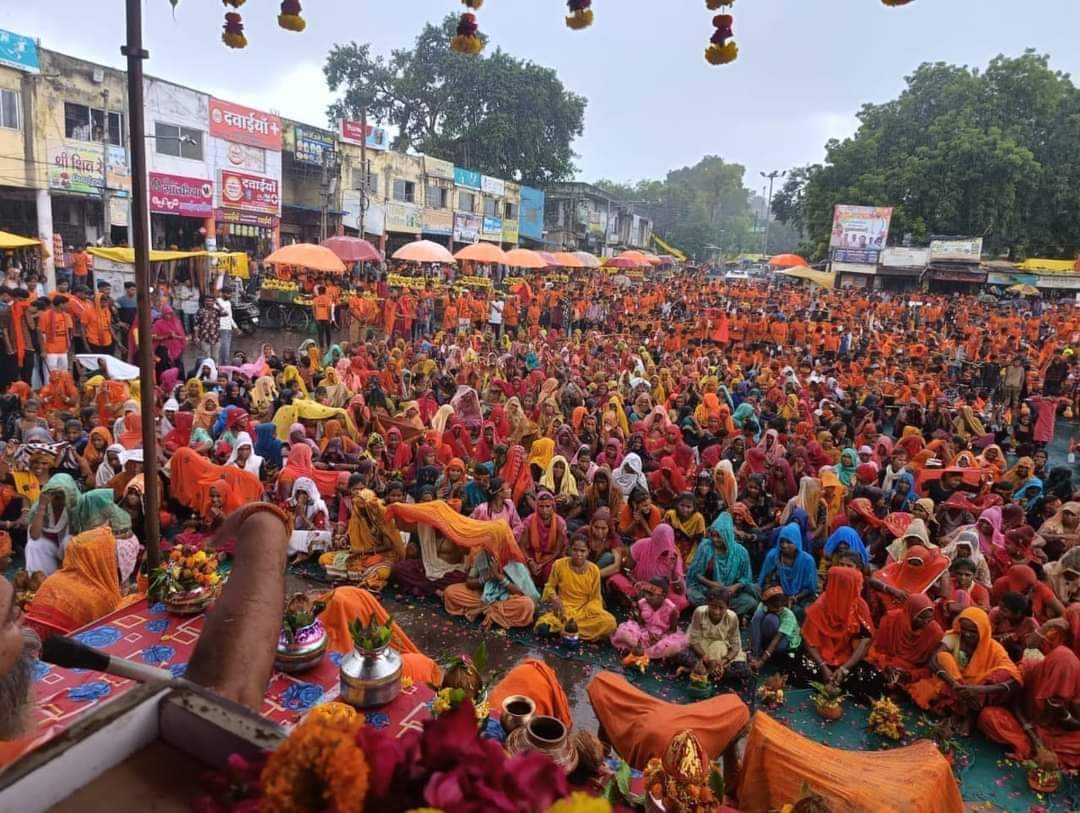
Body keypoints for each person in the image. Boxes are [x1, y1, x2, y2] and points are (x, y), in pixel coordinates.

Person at [534, 537, 616, 641]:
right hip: (563, 608)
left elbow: (595, 598)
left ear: (588, 552)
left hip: (584, 611)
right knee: (543, 628)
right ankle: (571, 630)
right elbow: (550, 586)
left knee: (610, 623)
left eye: (582, 551)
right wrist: (554, 598)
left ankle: (566, 630)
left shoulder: (594, 570)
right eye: (575, 550)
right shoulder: (559, 564)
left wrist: (589, 611)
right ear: (569, 550)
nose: (578, 554)